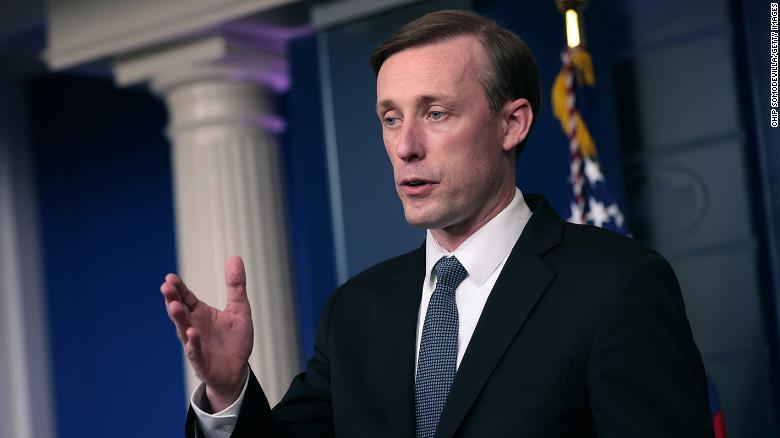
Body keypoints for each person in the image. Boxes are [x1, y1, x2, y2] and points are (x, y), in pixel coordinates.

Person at [161, 10, 714, 438]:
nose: (405, 147)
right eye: (391, 118)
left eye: (435, 113)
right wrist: (229, 390)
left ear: (512, 123)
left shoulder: (616, 285)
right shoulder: (355, 311)